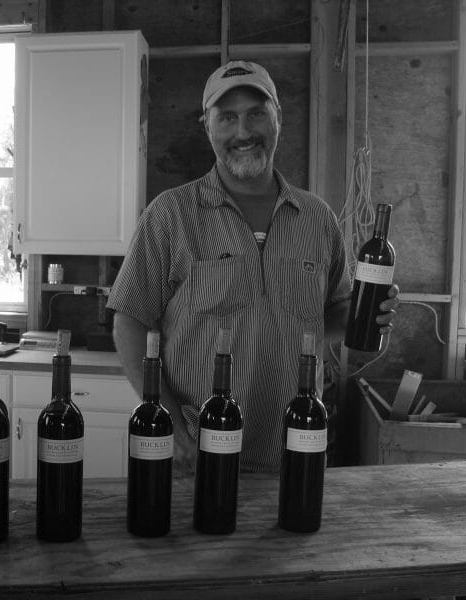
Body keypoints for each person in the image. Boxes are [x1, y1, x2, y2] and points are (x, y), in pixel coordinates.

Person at [107, 60, 399, 474]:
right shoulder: (170, 215)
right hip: (199, 452)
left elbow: (328, 316)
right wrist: (171, 426)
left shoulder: (318, 219)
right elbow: (129, 321)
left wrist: (368, 314)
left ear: (278, 119)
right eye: (227, 117)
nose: (243, 132)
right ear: (207, 127)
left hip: (295, 450)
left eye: (256, 113)